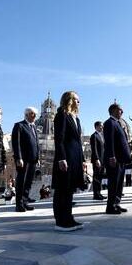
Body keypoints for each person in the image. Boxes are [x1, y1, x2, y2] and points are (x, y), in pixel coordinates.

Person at [51, 91, 86, 231]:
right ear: (69, 100)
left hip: (75, 157)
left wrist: (82, 159)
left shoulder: (76, 118)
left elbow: (78, 141)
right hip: (65, 157)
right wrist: (61, 158)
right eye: (76, 100)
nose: (79, 102)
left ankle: (69, 217)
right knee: (62, 189)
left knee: (70, 189)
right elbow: (59, 139)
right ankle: (61, 221)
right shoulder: (61, 115)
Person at [11, 107, 40, 212]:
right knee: (21, 181)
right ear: (27, 114)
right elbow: (16, 143)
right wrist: (19, 158)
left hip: (33, 159)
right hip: (23, 159)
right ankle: (19, 204)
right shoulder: (19, 125)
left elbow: (36, 143)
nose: (34, 116)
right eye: (32, 114)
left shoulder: (34, 127)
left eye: (35, 114)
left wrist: (38, 157)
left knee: (28, 182)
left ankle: (25, 201)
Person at [104, 103, 131, 214]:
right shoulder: (109, 123)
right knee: (114, 183)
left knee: (119, 183)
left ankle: (117, 203)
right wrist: (111, 156)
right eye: (120, 110)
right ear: (114, 110)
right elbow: (109, 141)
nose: (122, 112)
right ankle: (110, 206)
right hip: (115, 159)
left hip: (121, 159)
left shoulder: (118, 124)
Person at [89, 121, 106, 200]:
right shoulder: (94, 136)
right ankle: (96, 194)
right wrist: (96, 159)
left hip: (102, 159)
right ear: (96, 127)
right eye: (100, 126)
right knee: (96, 177)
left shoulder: (102, 136)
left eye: (102, 126)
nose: (102, 127)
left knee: (100, 177)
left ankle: (99, 193)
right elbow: (94, 149)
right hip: (97, 160)